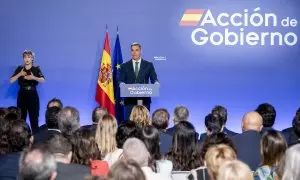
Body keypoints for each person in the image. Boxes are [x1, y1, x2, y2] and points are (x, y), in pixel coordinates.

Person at [118, 42, 159, 120]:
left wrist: (156, 83)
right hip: (130, 101)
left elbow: (154, 78)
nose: (134, 52)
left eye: (136, 50)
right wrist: (122, 84)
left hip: (144, 100)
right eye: (132, 50)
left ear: (140, 51)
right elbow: (120, 79)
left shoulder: (148, 65)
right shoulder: (124, 66)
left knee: (144, 123)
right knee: (129, 124)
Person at [9, 50, 45, 133]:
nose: (27, 59)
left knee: (34, 119)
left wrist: (33, 78)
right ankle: (22, 140)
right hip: (22, 95)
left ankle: (36, 140)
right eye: (25, 57)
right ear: (23, 59)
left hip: (33, 95)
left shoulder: (36, 69)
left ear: (32, 58)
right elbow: (11, 80)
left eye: (29, 57)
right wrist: (19, 74)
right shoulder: (19, 69)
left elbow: (43, 80)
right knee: (21, 119)